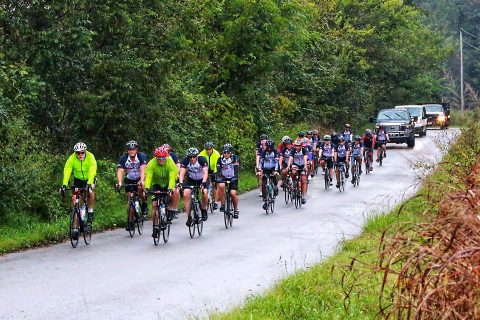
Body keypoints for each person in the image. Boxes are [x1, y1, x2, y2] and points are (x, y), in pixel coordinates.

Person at [145, 146, 180, 238]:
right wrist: (147, 188)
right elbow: (148, 177)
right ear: (156, 158)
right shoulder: (151, 164)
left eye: (163, 158)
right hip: (156, 184)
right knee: (154, 204)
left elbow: (172, 176)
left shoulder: (170, 163)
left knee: (175, 191)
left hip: (168, 183)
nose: (161, 160)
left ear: (166, 157)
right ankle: (155, 226)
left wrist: (170, 188)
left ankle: (171, 209)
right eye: (159, 158)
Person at [60, 142, 97, 226]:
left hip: (90, 178)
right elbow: (67, 170)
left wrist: (89, 183)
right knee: (75, 198)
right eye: (78, 153)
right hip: (78, 179)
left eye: (82, 152)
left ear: (85, 152)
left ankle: (90, 211)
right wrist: (64, 184)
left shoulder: (90, 157)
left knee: (90, 191)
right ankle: (77, 223)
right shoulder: (72, 158)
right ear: (75, 153)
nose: (80, 155)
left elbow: (92, 170)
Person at [116, 140, 148, 231]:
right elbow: (120, 171)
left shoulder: (141, 156)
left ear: (136, 149)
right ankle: (130, 221)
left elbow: (143, 170)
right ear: (127, 150)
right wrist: (120, 182)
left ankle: (144, 203)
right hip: (129, 178)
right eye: (129, 149)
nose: (131, 151)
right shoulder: (123, 158)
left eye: (133, 149)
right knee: (130, 198)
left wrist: (142, 181)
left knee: (139, 187)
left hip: (139, 177)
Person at [178, 147, 209, 226]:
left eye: (193, 156)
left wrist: (204, 182)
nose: (192, 158)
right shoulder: (185, 160)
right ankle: (189, 217)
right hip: (191, 179)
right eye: (190, 157)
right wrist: (181, 183)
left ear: (197, 156)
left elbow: (205, 172)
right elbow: (181, 173)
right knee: (185, 194)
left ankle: (204, 209)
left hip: (202, 179)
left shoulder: (202, 160)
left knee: (205, 192)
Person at [216, 144, 240, 218]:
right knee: (221, 186)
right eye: (225, 152)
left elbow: (236, 168)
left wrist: (235, 176)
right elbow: (218, 170)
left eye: (228, 153)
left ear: (231, 153)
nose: (226, 154)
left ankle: (236, 209)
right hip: (224, 177)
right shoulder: (220, 159)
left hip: (233, 177)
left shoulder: (234, 158)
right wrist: (218, 177)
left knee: (233, 193)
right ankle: (223, 204)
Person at [257, 139, 280, 210]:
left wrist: (276, 170)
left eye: (271, 147)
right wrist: (259, 170)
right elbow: (261, 161)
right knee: (264, 182)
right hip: (266, 168)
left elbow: (276, 162)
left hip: (273, 167)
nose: (269, 148)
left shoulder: (275, 151)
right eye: (268, 147)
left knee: (274, 176)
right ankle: (265, 200)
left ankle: (275, 187)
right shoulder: (264, 152)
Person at [199, 141, 221, 210]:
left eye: (209, 149)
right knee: (204, 183)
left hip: (214, 169)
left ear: (212, 148)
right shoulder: (201, 154)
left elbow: (217, 165)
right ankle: (204, 201)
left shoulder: (216, 154)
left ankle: (216, 202)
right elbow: (199, 164)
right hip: (205, 169)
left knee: (215, 184)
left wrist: (215, 173)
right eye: (207, 149)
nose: (208, 151)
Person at [286, 140, 308, 204]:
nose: (297, 147)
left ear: (301, 146)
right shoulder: (293, 150)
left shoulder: (304, 150)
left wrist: (305, 166)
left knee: (304, 180)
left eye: (298, 146)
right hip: (295, 164)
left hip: (303, 165)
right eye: (296, 146)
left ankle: (303, 197)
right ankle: (293, 182)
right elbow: (290, 158)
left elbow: (305, 158)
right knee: (293, 172)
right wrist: (288, 166)